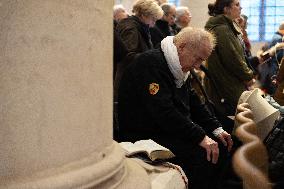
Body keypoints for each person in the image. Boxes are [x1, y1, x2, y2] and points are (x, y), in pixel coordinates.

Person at [118, 27, 233, 189]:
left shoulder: (177, 65)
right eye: (197, 59)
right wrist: (200, 136)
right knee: (202, 153)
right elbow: (163, 112)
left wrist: (215, 128)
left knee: (221, 142)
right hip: (144, 133)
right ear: (182, 46)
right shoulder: (150, 64)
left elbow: (194, 102)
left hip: (165, 128)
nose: (198, 66)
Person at [204, 0, 254, 132]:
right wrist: (248, 75)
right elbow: (233, 59)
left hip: (227, 80)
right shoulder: (222, 29)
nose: (241, 7)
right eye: (237, 5)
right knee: (237, 121)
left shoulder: (225, 27)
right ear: (226, 9)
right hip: (227, 82)